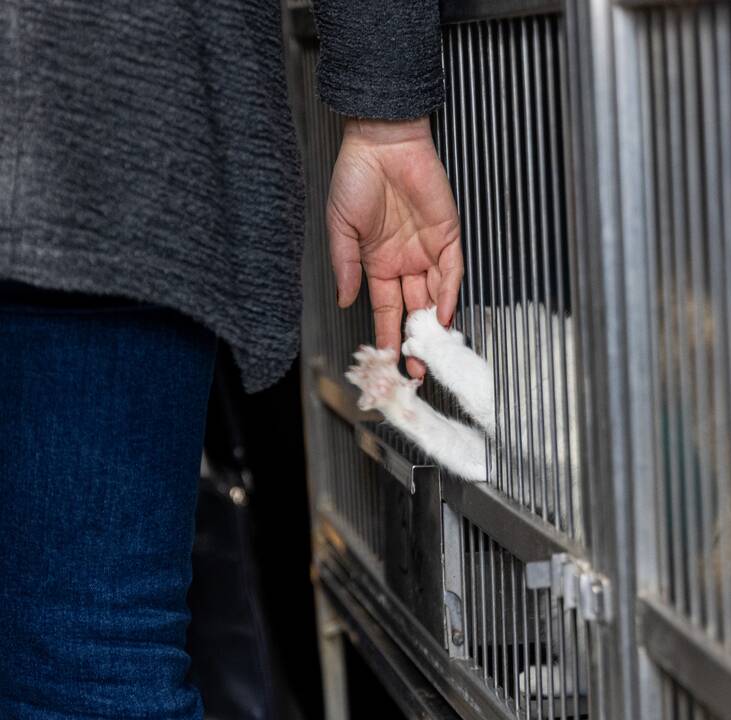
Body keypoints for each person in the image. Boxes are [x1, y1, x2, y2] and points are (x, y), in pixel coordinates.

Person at [0, 1, 461, 718]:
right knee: (91, 663)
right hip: (104, 111)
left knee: (90, 660)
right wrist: (385, 109)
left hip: (94, 131)